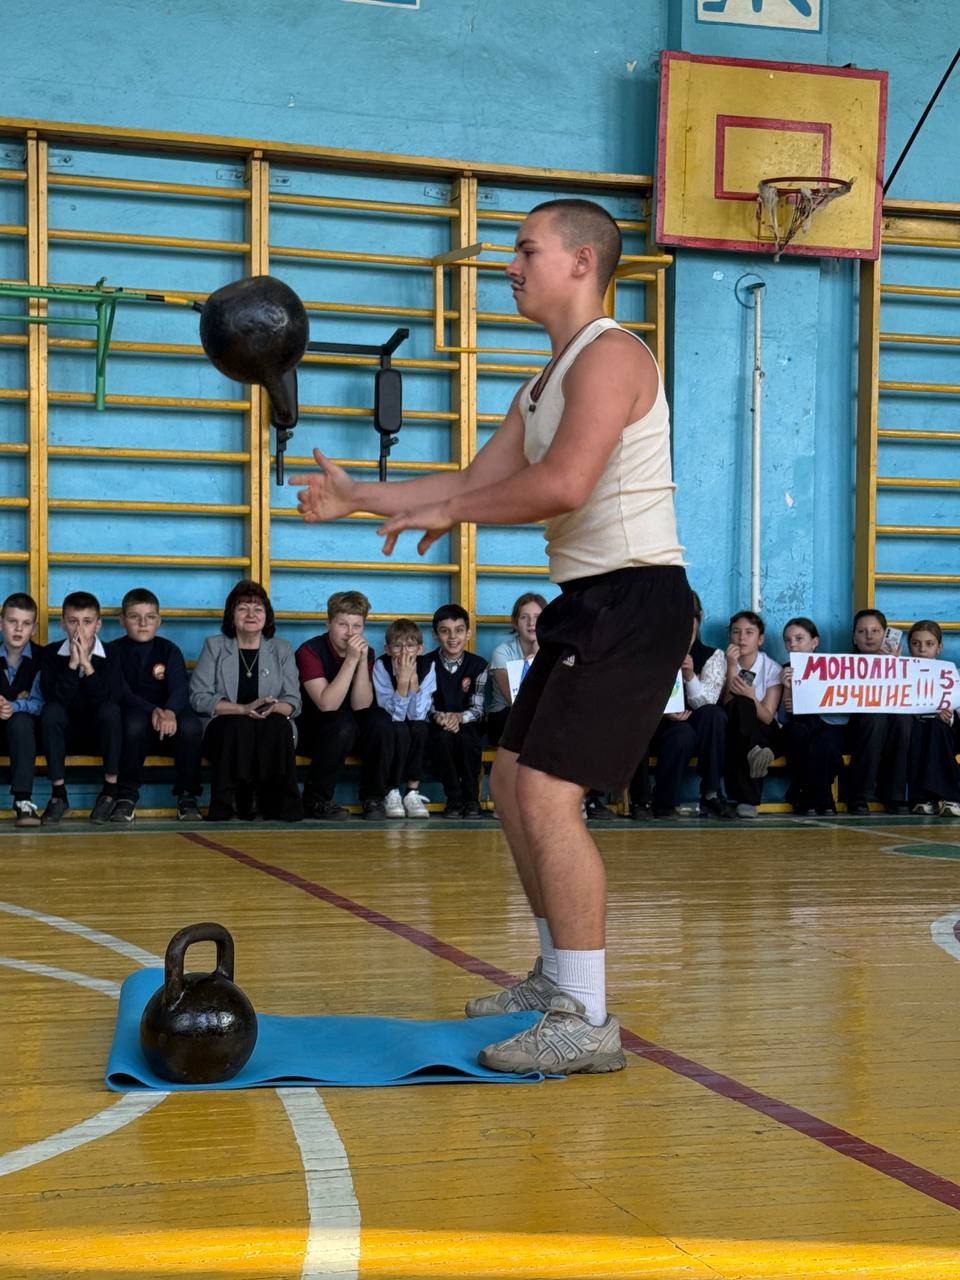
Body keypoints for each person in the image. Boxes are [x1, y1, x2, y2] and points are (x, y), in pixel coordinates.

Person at [293, 196, 693, 1075]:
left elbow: (562, 484)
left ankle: (585, 1018)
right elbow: (479, 479)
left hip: (636, 599)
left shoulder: (613, 355)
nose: (510, 265)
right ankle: (557, 977)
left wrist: (449, 508)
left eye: (526, 249)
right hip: (588, 603)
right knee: (512, 781)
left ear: (583, 262)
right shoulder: (542, 381)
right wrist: (363, 495)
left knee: (550, 795)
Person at [189, 579, 302, 821]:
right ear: (232, 615)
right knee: (238, 725)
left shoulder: (282, 649)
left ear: (267, 616)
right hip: (226, 724)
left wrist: (272, 708)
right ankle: (235, 800)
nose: (251, 614)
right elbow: (199, 697)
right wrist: (242, 708)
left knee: (277, 725)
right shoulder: (215, 646)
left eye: (257, 609)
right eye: (243, 608)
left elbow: (293, 701)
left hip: (270, 720)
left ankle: (273, 804)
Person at [628, 590, 728, 819]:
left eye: (688, 617)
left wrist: (691, 676)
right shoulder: (649, 652)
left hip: (695, 719)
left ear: (698, 618)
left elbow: (707, 702)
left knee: (713, 714)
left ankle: (712, 791)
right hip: (658, 722)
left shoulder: (712, 655)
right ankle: (655, 802)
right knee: (680, 734)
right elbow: (638, 694)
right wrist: (665, 713)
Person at [107, 588, 203, 823]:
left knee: (190, 726)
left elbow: (180, 688)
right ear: (122, 620)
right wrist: (153, 711)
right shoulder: (113, 651)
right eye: (134, 617)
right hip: (137, 713)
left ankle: (187, 795)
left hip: (170, 715)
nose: (142, 623)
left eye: (150, 617)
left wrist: (169, 711)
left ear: (159, 621)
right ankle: (126, 796)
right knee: (133, 724)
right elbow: (121, 692)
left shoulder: (169, 650)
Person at [296, 590, 392, 820]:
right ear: (329, 623)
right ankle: (315, 799)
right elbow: (327, 704)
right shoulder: (309, 652)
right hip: (314, 730)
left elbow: (362, 706)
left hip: (349, 728)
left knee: (380, 719)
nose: (350, 633)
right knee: (341, 721)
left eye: (357, 626)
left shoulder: (366, 652)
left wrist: (360, 661)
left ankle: (373, 797)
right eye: (343, 624)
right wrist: (350, 660)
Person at [40, 591, 122, 825]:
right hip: (65, 734)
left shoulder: (113, 653)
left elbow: (108, 698)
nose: (79, 629)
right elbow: (55, 699)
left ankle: (109, 791)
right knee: (51, 712)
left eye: (87, 622)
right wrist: (73, 664)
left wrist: (87, 666)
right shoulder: (50, 654)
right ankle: (59, 795)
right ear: (62, 623)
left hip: (100, 734)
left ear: (98, 625)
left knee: (111, 711)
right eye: (73, 621)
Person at [845, 607, 911, 815]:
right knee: (874, 718)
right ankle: (858, 795)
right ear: (854, 638)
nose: (869, 636)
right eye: (862, 631)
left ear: (885, 635)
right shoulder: (841, 666)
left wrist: (893, 665)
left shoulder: (903, 665)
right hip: (852, 727)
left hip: (890, 725)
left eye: (875, 631)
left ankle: (894, 795)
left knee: (903, 720)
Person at [778, 616, 845, 815]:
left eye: (799, 639)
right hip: (798, 729)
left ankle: (803, 794)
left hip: (827, 727)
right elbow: (783, 717)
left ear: (814, 642)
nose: (793, 645)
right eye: (788, 640)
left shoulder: (832, 668)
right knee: (798, 730)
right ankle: (823, 797)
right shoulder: (785, 670)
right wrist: (786, 688)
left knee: (821, 740)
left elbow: (841, 714)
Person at [428, 604, 488, 817]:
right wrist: (439, 717)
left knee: (467, 741)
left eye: (459, 630)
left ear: (468, 633)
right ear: (435, 635)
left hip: (467, 723)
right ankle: (454, 798)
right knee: (442, 740)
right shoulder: (426, 663)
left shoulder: (478, 665)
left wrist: (459, 717)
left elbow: (478, 709)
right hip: (437, 723)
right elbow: (423, 704)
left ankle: (471, 798)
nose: (453, 637)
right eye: (445, 631)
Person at [720, 610, 782, 819]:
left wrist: (752, 697)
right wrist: (730, 666)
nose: (742, 638)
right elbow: (727, 703)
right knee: (739, 705)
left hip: (764, 729)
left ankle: (745, 798)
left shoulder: (772, 668)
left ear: (760, 639)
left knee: (746, 703)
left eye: (749, 632)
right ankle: (748, 801)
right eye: (736, 632)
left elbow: (767, 716)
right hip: (734, 726)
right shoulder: (721, 662)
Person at [372, 619, 436, 818]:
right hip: (391, 723)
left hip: (415, 721)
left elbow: (418, 715)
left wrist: (413, 682)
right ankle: (392, 791)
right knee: (399, 730)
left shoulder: (427, 667)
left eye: (410, 646)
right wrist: (401, 683)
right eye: (397, 646)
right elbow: (393, 715)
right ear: (388, 649)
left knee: (420, 729)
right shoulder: (381, 666)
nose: (404, 652)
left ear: (420, 649)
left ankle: (412, 792)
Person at [905, 620, 960, 817]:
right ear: (908, 645)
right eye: (916, 643)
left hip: (950, 732)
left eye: (929, 644)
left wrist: (950, 717)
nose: (922, 649)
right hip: (917, 730)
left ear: (939, 648)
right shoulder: (899, 675)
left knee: (938, 727)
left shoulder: (953, 675)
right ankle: (927, 798)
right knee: (922, 727)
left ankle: (948, 797)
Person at [0, 592, 44, 827]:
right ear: (0, 623)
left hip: (26, 735)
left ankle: (23, 801)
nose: (18, 629)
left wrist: (14, 706)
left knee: (22, 721)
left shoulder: (42, 658)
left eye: (26, 623)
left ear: (34, 628)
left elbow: (40, 704)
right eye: (12, 621)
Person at [486, 592, 546, 748]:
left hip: (539, 714)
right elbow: (515, 701)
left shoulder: (553, 652)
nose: (531, 622)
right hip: (505, 715)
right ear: (515, 622)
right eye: (524, 617)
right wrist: (534, 664)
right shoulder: (502, 652)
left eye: (537, 616)